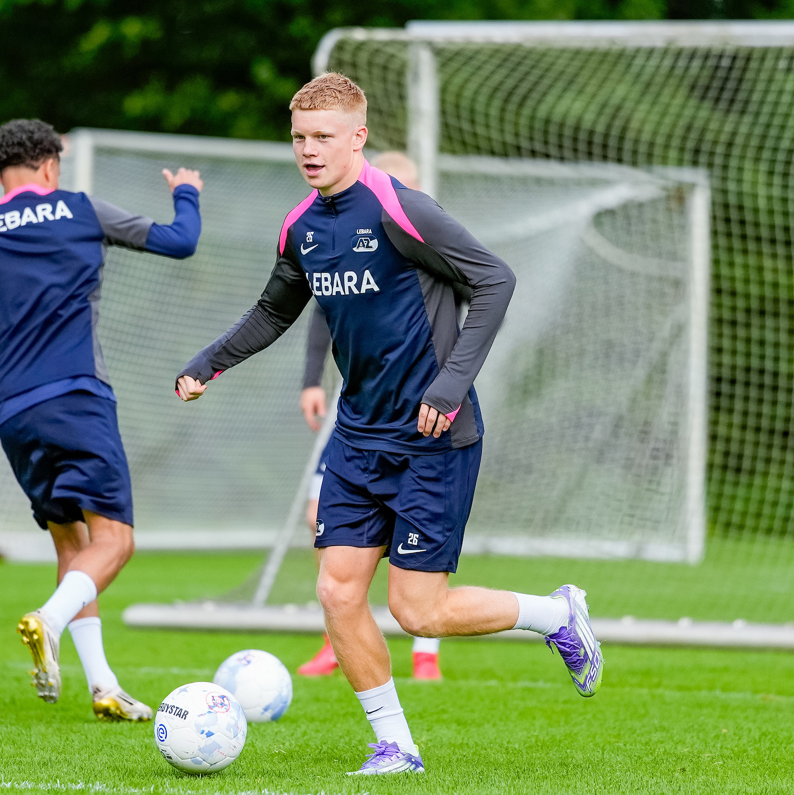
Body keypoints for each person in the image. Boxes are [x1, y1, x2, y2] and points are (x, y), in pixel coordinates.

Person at [176, 74, 602, 774]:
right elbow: (275, 309)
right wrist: (209, 362)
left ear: (358, 137)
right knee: (336, 591)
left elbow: (494, 280)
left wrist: (451, 384)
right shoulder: (301, 227)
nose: (308, 150)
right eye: (299, 138)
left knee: (418, 611)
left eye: (323, 137)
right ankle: (396, 746)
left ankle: (556, 615)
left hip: (433, 439)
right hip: (356, 438)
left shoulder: (401, 208)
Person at [0, 119, 203, 722]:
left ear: (0, 172)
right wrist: (186, 192)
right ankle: (48, 620)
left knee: (71, 542)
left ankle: (103, 685)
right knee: (115, 541)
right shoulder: (79, 210)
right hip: (76, 396)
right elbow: (180, 241)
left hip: (12, 411)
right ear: (50, 166)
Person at [297, 151, 444, 681]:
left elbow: (480, 293)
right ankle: (336, 635)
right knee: (319, 516)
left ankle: (425, 652)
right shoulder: (344, 239)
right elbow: (323, 306)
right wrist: (312, 380)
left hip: (418, 416)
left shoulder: (428, 240)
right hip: (357, 411)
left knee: (418, 535)